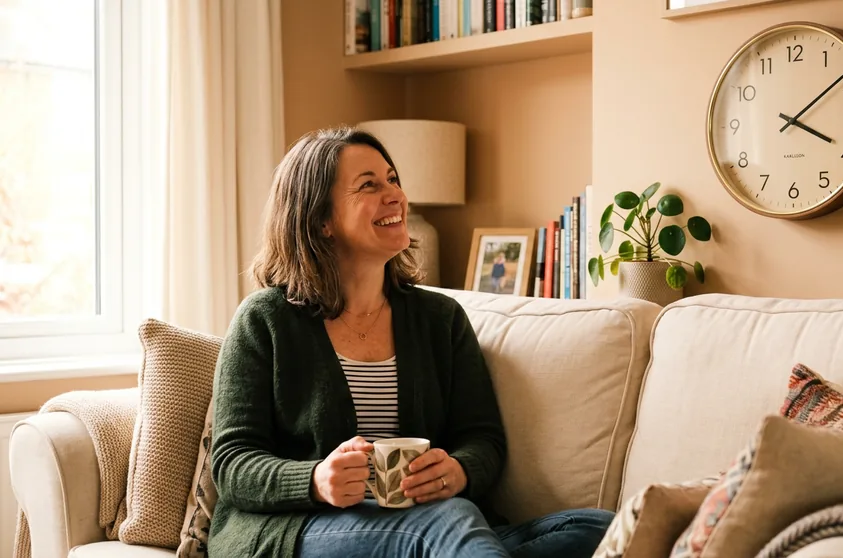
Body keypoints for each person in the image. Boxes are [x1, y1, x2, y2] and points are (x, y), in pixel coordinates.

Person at [208, 126, 613, 558]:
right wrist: (314, 479)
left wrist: (458, 470)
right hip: (297, 529)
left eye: (393, 180)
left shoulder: (440, 320)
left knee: (599, 528)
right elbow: (232, 461)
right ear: (321, 220)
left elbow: (482, 437)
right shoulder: (264, 320)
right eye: (369, 185)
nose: (395, 195)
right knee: (445, 524)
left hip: (425, 524)